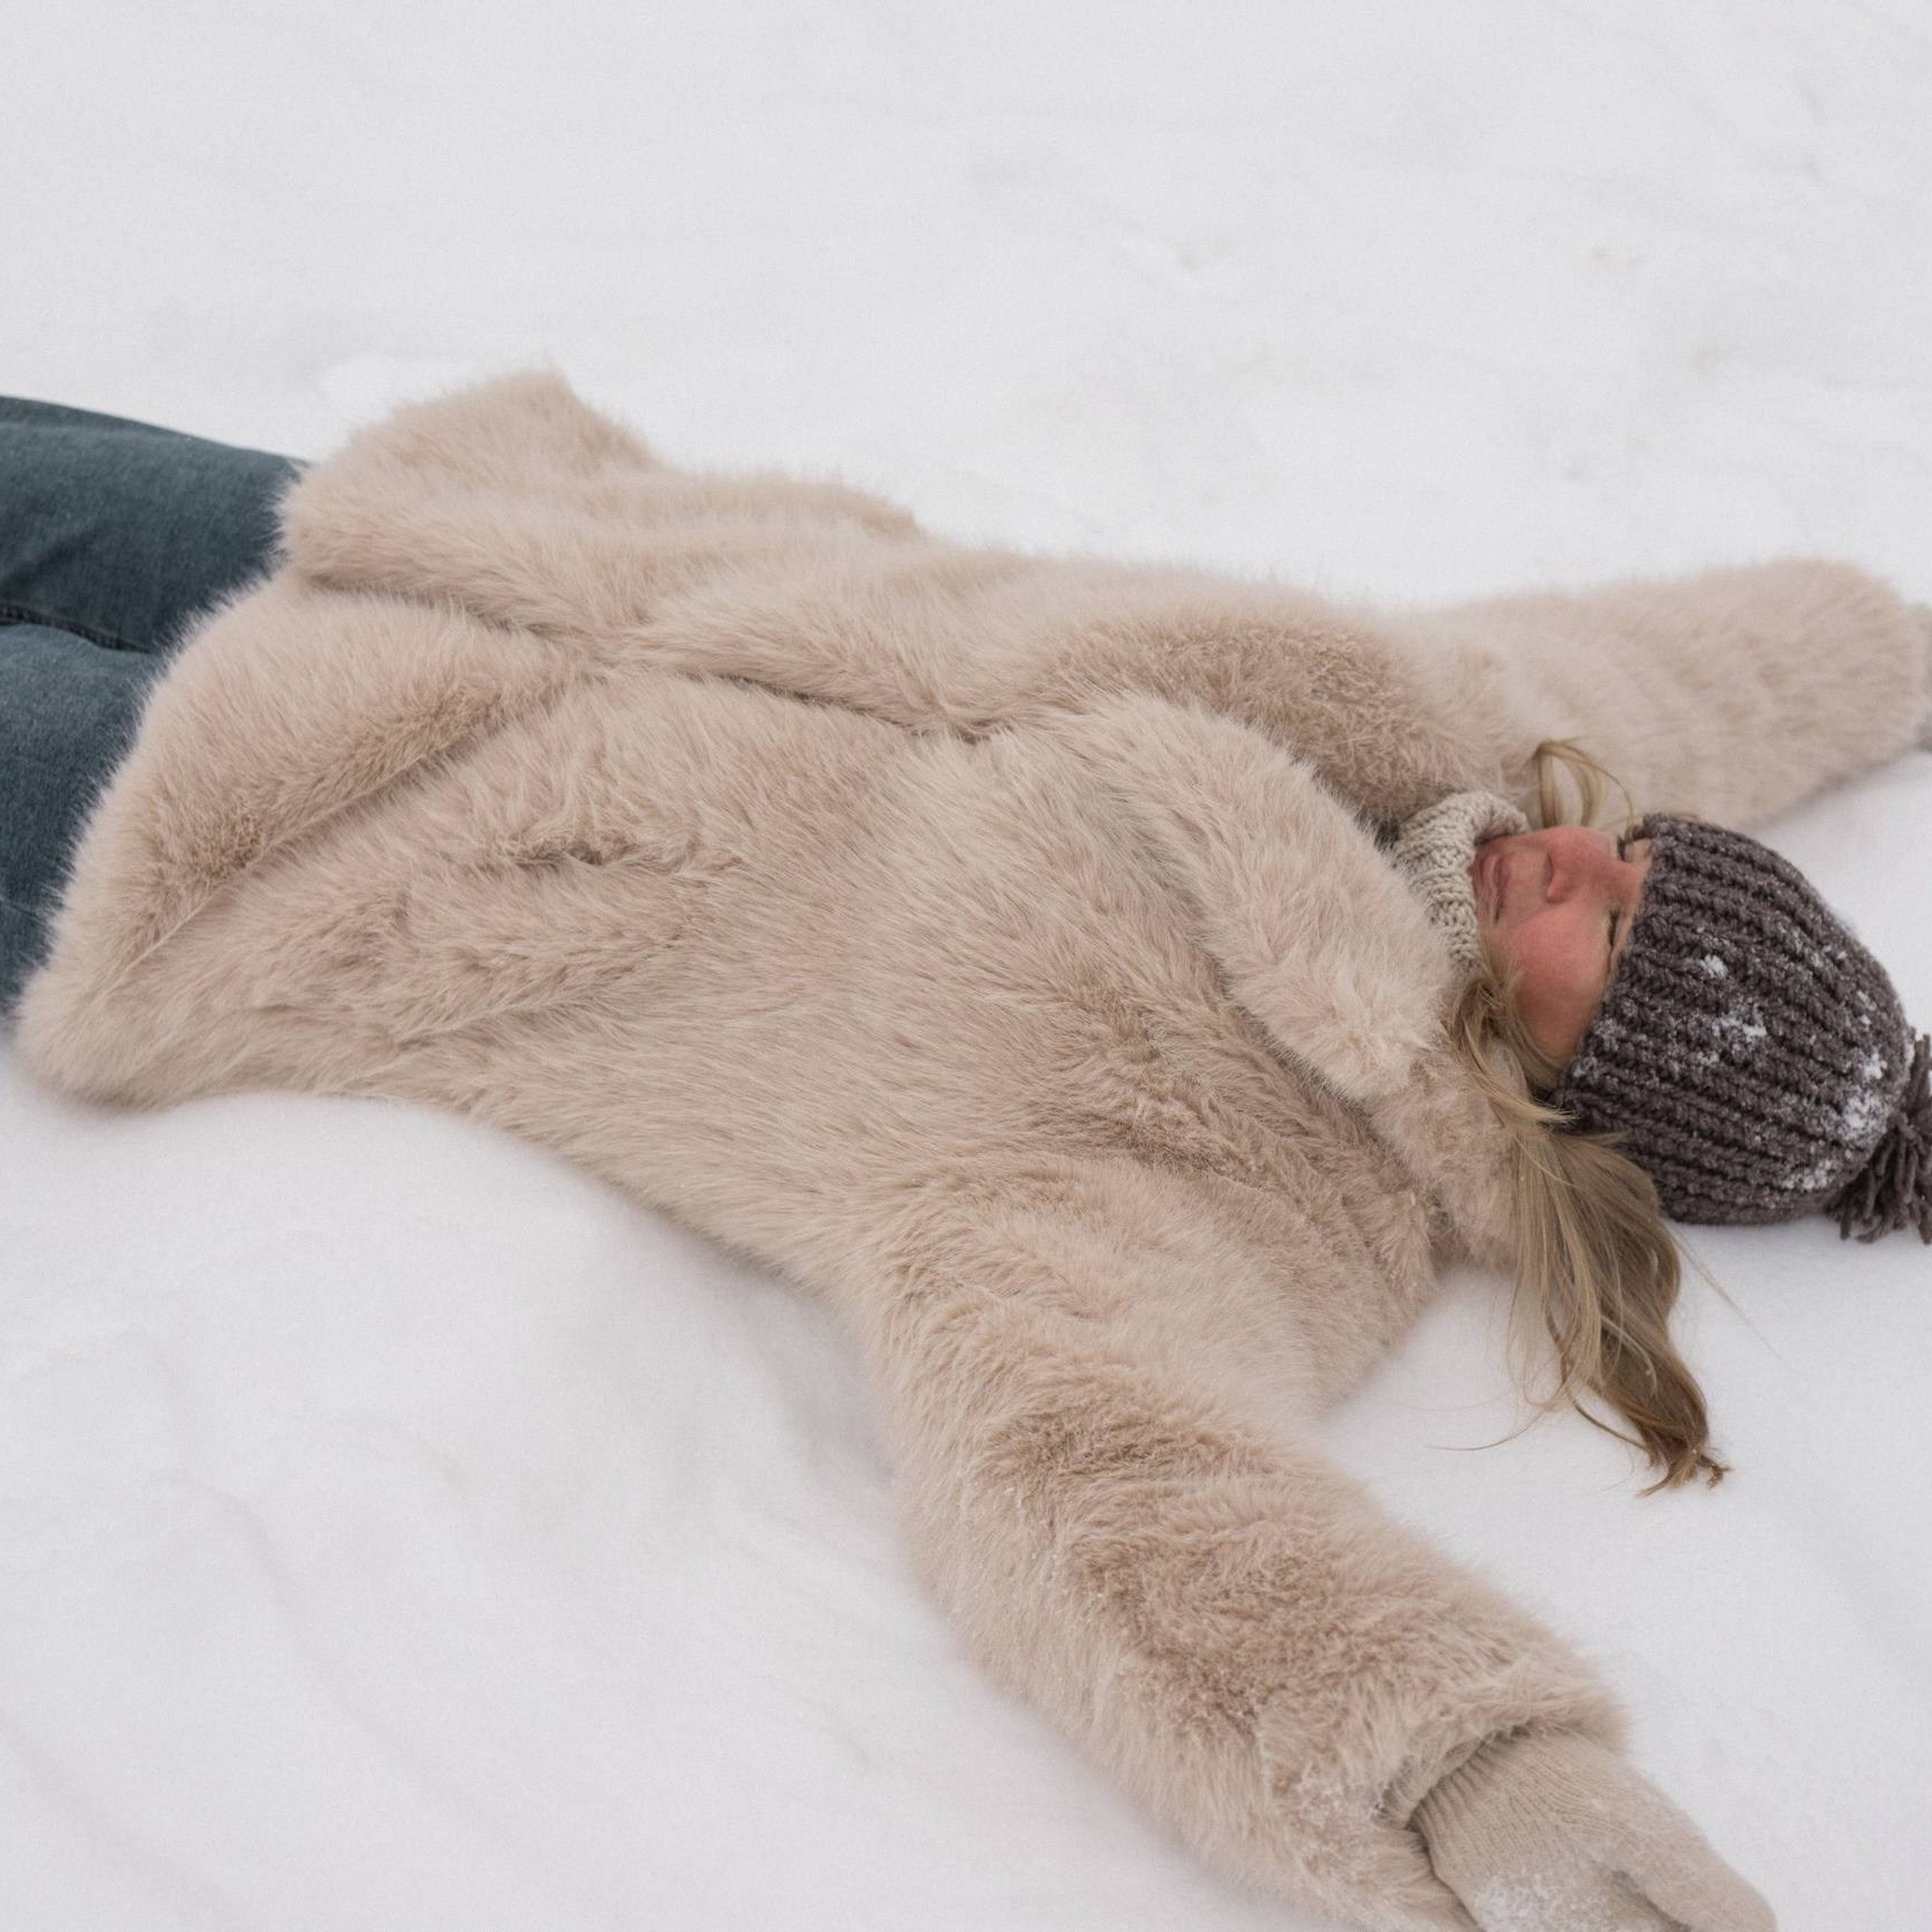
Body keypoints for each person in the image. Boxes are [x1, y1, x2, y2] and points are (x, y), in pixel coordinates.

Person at [4, 374, 1929, 1932]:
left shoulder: (1264, 1181)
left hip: (263, 844)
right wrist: (1898, 646)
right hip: (482, 549)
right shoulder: (1469, 735)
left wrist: (1460, 1761)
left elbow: (1094, 1462)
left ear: (1565, 1093)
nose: (1586, 854)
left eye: (1602, 934)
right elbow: (1725, 667)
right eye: (1645, 857)